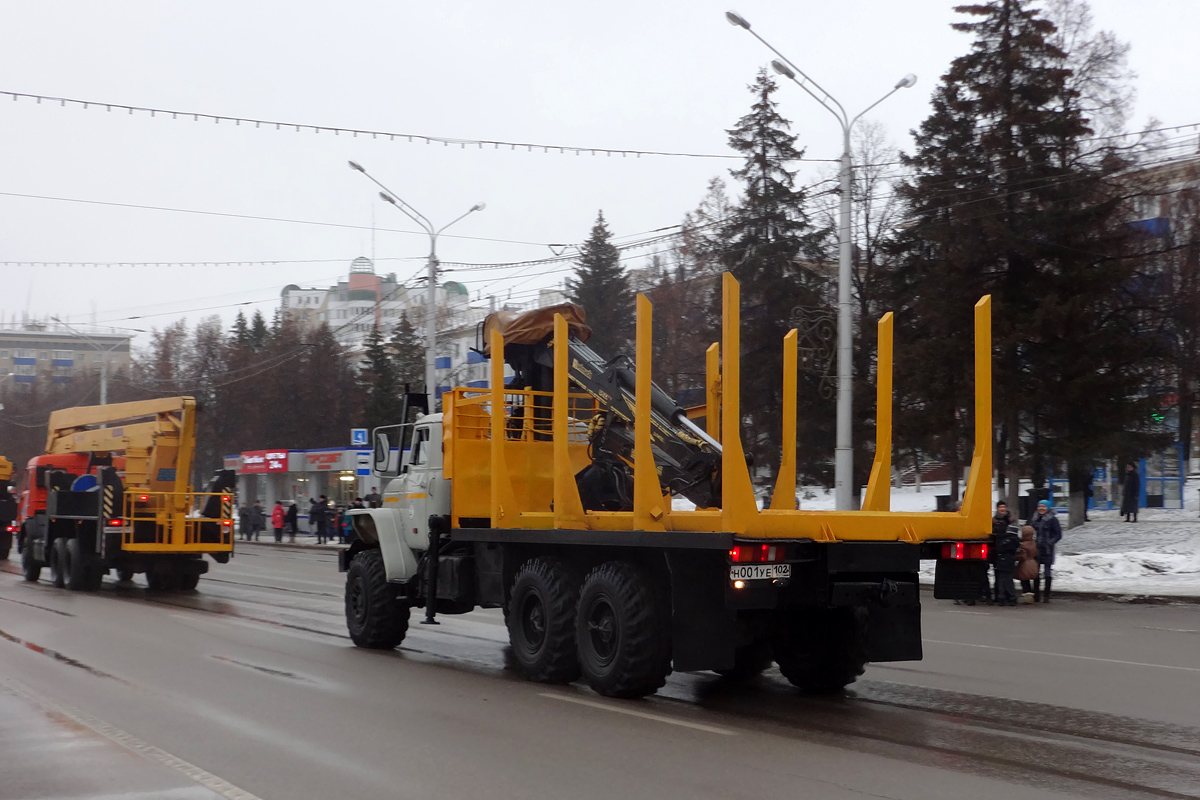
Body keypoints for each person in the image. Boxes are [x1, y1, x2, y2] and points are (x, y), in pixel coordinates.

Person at [1029, 499, 1062, 602]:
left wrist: (1050, 542)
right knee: (1035, 572)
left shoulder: (1053, 519)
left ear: (1048, 508)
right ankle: (1036, 595)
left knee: (1047, 572)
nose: (1041, 509)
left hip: (1047, 549)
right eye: (1039, 507)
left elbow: (1058, 534)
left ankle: (1046, 595)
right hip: (1036, 549)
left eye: (1043, 507)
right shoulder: (1034, 518)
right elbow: (1029, 530)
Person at [989, 500, 1016, 603]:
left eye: (1004, 507)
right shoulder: (993, 520)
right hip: (996, 549)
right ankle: (998, 595)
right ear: (997, 508)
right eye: (1000, 507)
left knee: (1007, 575)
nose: (1002, 509)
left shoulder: (1011, 519)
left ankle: (1008, 595)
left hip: (1008, 549)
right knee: (997, 573)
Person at [993, 523, 1020, 606]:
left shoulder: (1007, 540)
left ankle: (1004, 597)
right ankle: (1009, 597)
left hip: (1003, 562)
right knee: (1007, 581)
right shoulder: (1014, 540)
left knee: (1003, 581)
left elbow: (1000, 548)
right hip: (1008, 562)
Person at [1016, 525, 1039, 600]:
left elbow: (1021, 556)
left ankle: (1027, 596)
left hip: (1024, 564)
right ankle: (1034, 594)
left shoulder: (1023, 545)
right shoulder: (1034, 543)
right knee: (1031, 578)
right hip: (1033, 563)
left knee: (1024, 580)